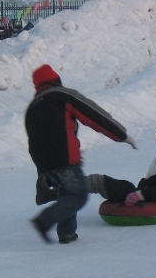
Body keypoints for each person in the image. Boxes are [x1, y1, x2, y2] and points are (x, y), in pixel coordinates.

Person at [25, 64, 137, 244]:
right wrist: (121, 134)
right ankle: (44, 220)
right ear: (56, 80)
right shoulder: (62, 95)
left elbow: (36, 140)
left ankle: (67, 234)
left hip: (44, 164)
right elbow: (93, 115)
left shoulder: (32, 107)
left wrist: (43, 170)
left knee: (67, 191)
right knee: (78, 195)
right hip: (63, 159)